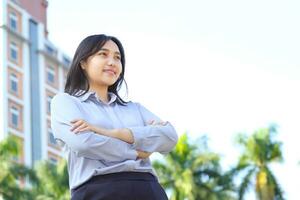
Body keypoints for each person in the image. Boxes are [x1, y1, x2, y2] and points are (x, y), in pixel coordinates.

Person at [50, 34, 178, 200]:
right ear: (83, 62)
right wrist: (138, 151)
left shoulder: (135, 108)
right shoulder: (65, 102)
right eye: (103, 54)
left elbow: (169, 136)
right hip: (97, 191)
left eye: (117, 58)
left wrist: (108, 133)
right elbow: (84, 143)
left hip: (149, 190)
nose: (112, 62)